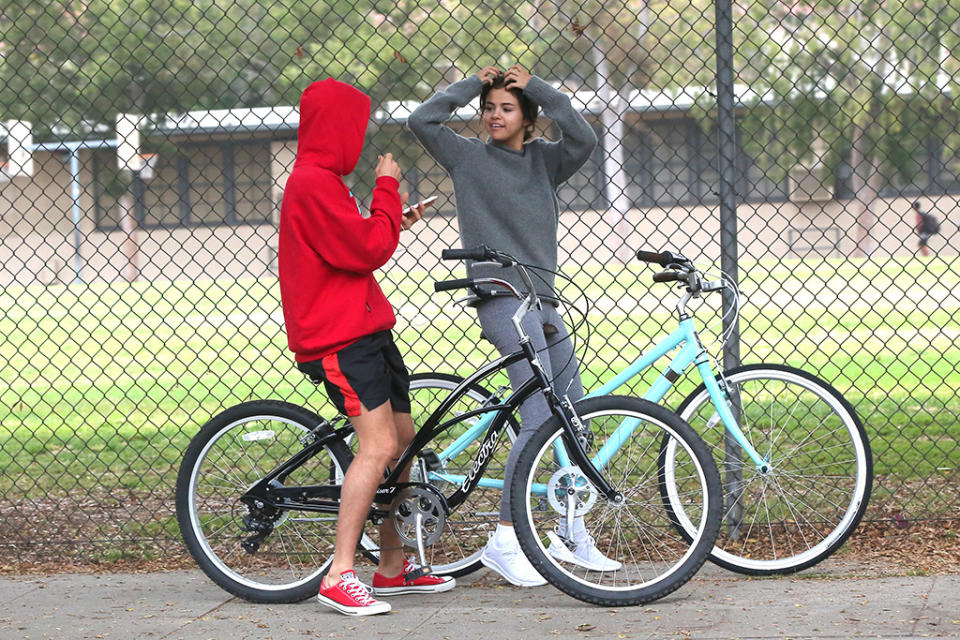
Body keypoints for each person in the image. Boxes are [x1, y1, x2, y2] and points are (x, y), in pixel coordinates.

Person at [408, 65, 621, 587]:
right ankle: (506, 537)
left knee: (575, 415)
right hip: (502, 299)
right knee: (538, 414)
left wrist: (540, 88)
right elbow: (422, 119)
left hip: (544, 301)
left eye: (505, 107)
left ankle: (571, 533)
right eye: (488, 108)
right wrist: (469, 88)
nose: (493, 116)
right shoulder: (467, 156)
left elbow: (585, 136)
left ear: (527, 117)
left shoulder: (547, 161)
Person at [278, 78, 453, 616]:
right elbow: (367, 249)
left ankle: (392, 567)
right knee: (376, 446)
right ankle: (339, 573)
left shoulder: (325, 183)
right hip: (338, 338)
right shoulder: (311, 183)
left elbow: (355, 241)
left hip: (367, 329)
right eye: (356, 127)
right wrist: (386, 188)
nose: (361, 140)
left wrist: (394, 216)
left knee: (401, 441)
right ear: (337, 128)